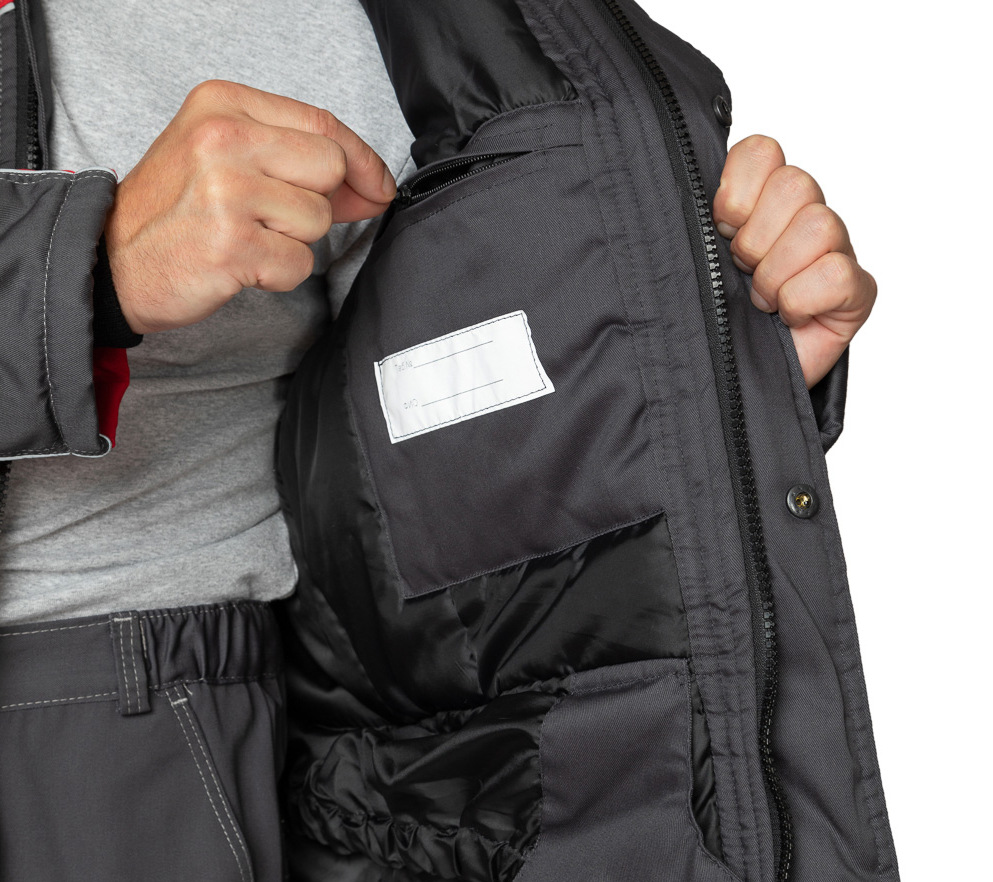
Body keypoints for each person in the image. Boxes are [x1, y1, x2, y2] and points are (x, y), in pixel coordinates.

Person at [0, 1, 877, 880]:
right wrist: (82, 270)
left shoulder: (363, 28)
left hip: (184, 750)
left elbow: (406, 504)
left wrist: (705, 376)